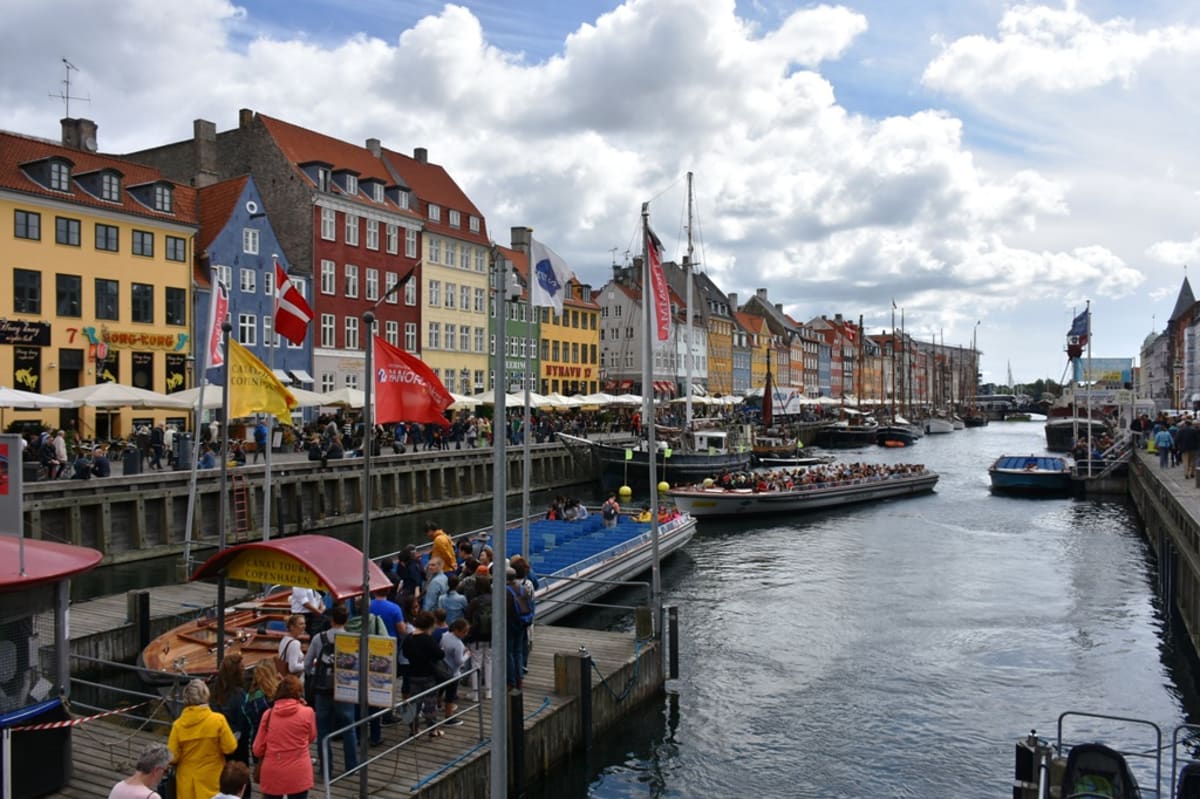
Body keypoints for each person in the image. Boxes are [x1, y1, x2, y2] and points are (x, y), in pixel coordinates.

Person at [304, 603, 359, 775]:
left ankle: (326, 768)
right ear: (346, 619)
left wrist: (313, 674)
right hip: (345, 689)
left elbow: (307, 664)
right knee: (349, 728)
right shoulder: (352, 640)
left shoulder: (318, 639)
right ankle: (351, 766)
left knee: (323, 730)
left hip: (322, 689)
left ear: (331, 619)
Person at [167, 679, 237, 799]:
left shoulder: (178, 725)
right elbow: (230, 748)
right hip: (212, 777)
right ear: (206, 695)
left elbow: (172, 757)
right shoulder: (218, 720)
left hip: (187, 781)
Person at [252, 675, 316, 799]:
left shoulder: (268, 714)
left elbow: (257, 749)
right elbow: (311, 737)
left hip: (273, 772)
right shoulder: (308, 712)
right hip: (299, 772)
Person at [401, 611, 447, 737]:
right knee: (430, 704)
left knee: (414, 703)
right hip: (428, 675)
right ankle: (432, 729)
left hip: (412, 674)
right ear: (430, 625)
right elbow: (440, 654)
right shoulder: (428, 640)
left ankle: (413, 729)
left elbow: (405, 654)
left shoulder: (408, 638)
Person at [210, 652, 251, 765]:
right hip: (237, 743)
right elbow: (243, 720)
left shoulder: (215, 692)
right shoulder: (239, 694)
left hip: (218, 740)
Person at [108, 742, 172, 799]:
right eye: (165, 771)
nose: (163, 776)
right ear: (156, 770)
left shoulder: (118, 787)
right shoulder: (151, 797)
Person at [465, 574, 493, 701]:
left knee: (476, 663)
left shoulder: (475, 602)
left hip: (476, 637)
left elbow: (468, 616)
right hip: (492, 635)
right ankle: (489, 691)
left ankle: (475, 693)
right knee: (489, 661)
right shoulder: (494, 599)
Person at [440, 618, 471, 726]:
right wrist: (467, 655)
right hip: (453, 673)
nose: (465, 634)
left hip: (442, 669)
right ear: (457, 630)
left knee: (440, 691)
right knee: (450, 695)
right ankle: (448, 716)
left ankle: (437, 707)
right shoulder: (458, 644)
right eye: (464, 632)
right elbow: (459, 662)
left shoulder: (445, 636)